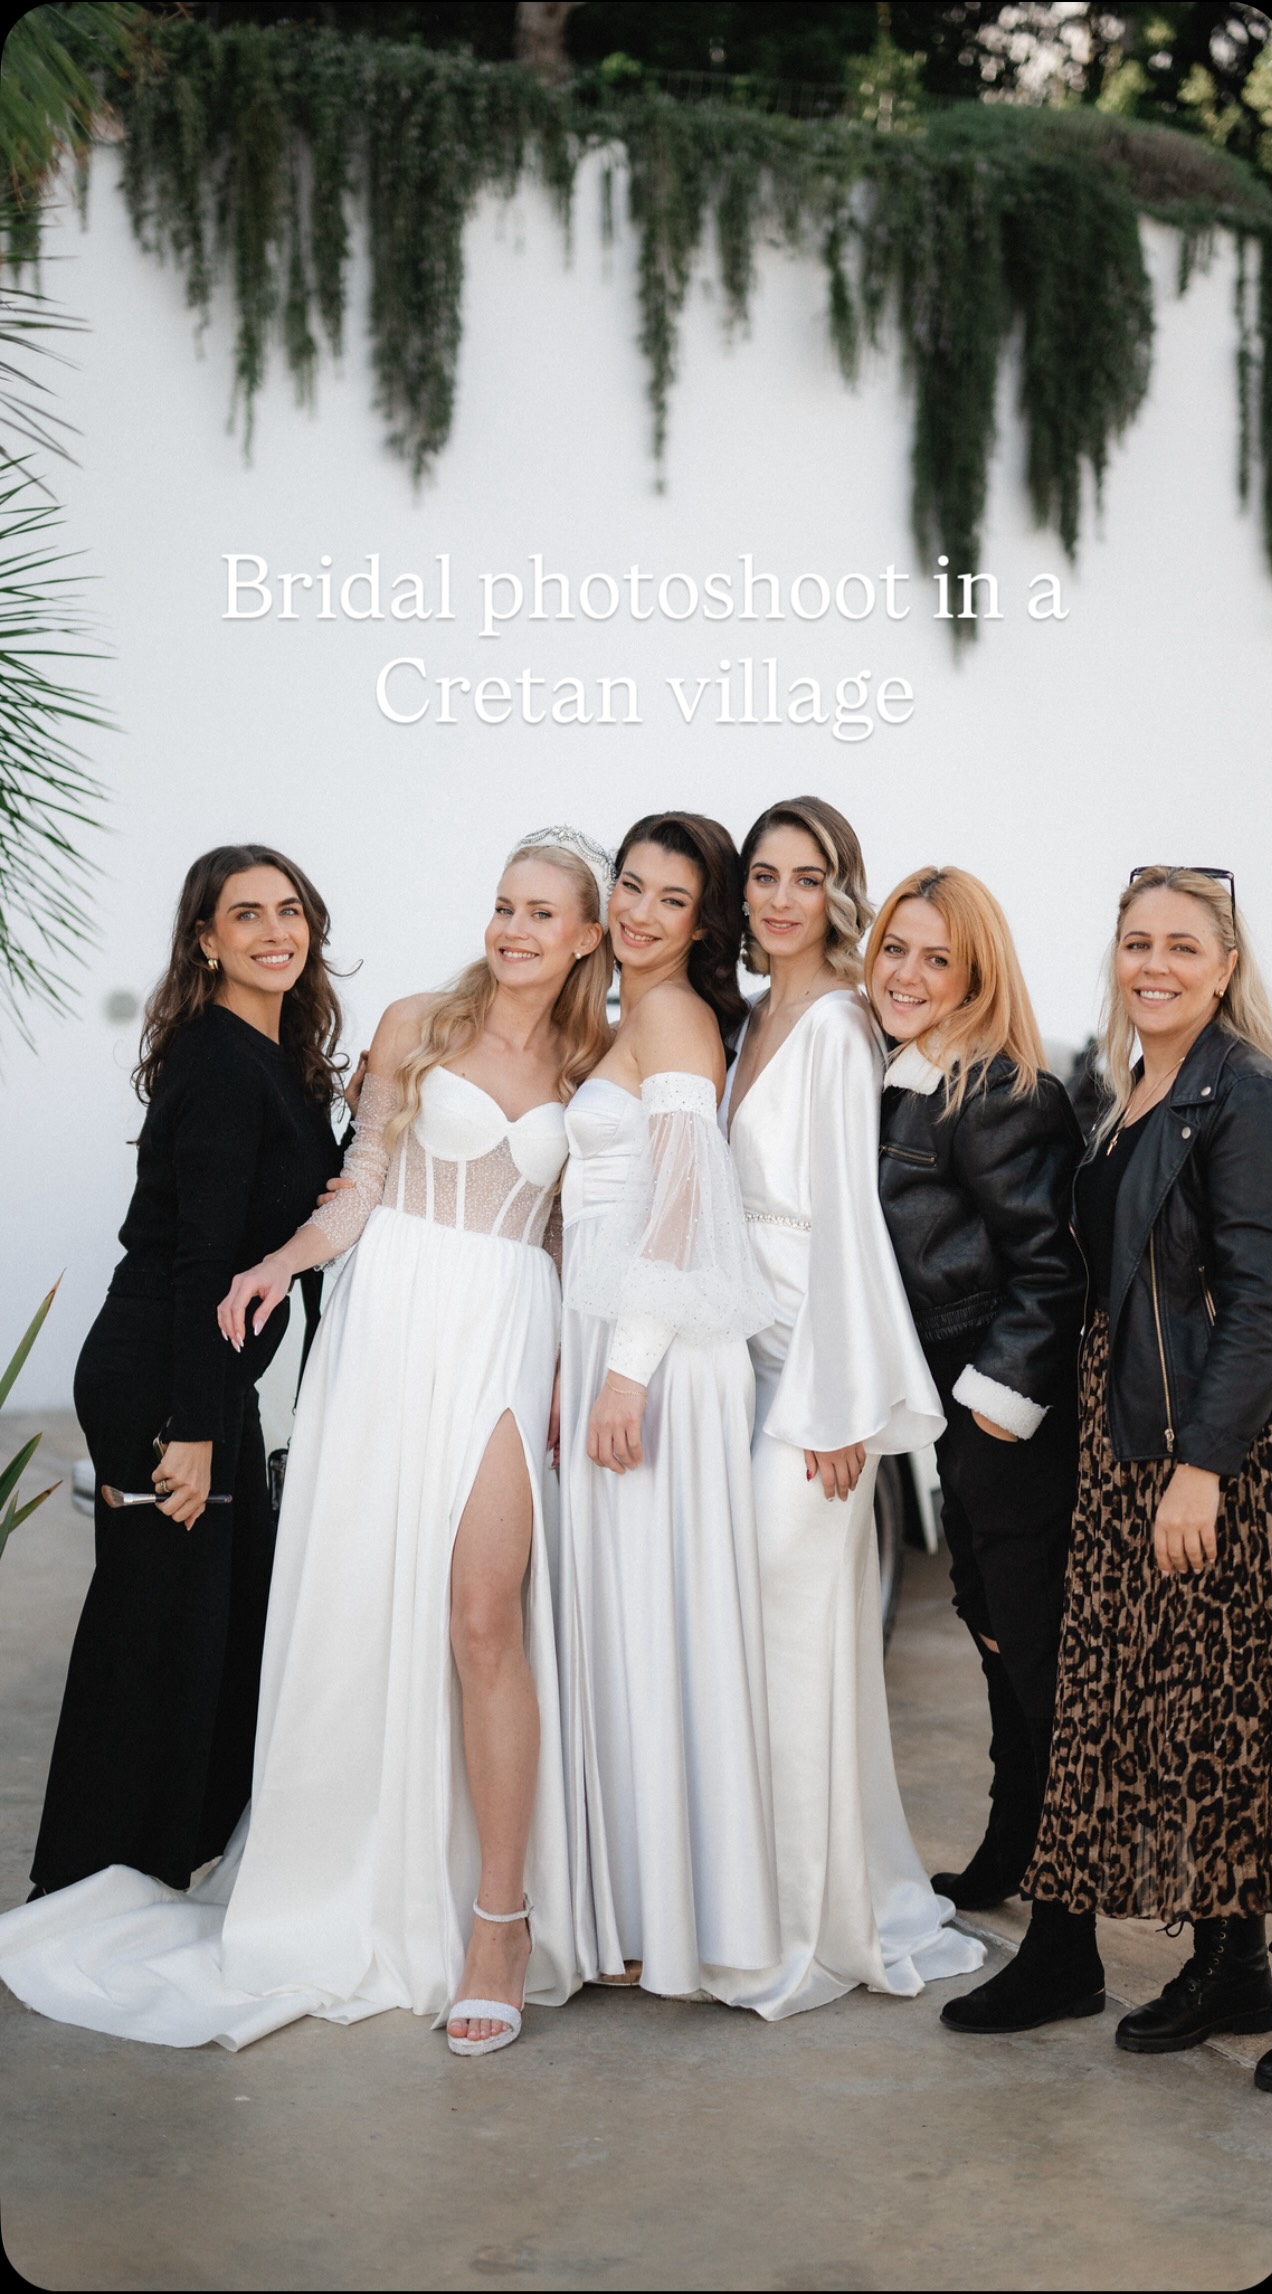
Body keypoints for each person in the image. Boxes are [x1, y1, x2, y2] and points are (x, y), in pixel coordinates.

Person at [0, 832, 612, 2061]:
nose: (514, 927)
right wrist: (280, 1260)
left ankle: (498, 1916)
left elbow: (574, 1233)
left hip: (503, 1332)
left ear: (588, 934)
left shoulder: (599, 1058)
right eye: (502, 904)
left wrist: (578, 1370)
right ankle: (335, 1870)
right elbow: (361, 1178)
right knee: (355, 1602)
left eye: (543, 912)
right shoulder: (417, 1019)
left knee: (484, 1611)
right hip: (386, 1327)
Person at [27, 845, 346, 1897]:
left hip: (204, 1378)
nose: (272, 930)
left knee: (218, 1630)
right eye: (243, 913)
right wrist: (196, 1433)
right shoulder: (218, 1061)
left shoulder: (274, 1056)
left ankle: (158, 1862)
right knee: (153, 1643)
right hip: (164, 1377)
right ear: (204, 938)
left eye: (288, 909)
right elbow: (200, 1262)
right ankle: (84, 1883)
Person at [720, 797, 984, 2017]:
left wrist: (835, 1408)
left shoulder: (832, 1024)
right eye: (762, 875)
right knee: (762, 1644)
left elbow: (845, 1225)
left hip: (808, 1383)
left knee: (792, 1635)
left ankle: (804, 1924)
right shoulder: (752, 1019)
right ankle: (752, 1894)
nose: (778, 896)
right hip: (742, 1363)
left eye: (804, 876)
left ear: (840, 889)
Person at [1027, 867, 1272, 2090]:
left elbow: (1264, 1304)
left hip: (1213, 1458)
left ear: (1226, 966)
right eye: (1137, 942)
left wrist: (1204, 1468)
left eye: (1184, 945)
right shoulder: (1134, 1089)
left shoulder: (1247, 1096)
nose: (1156, 964)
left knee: (1256, 1726)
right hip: (1128, 1442)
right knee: (1187, 1723)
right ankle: (1229, 1961)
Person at [865, 867, 1098, 2033]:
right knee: (996, 1632)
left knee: (1041, 1662)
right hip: (951, 1410)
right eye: (894, 949)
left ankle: (1067, 1945)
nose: (906, 974)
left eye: (934, 959)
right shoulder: (900, 1080)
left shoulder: (999, 1091)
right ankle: (1010, 1851)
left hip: (1005, 1414)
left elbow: (1048, 1271)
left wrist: (990, 1409)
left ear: (975, 975)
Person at [558, 812, 782, 2003]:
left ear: (705, 921)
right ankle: (643, 1905)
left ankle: (675, 1917)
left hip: (655, 1354)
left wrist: (625, 1369)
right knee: (623, 1618)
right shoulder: (625, 1016)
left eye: (668, 897)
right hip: (613, 1341)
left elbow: (687, 1203)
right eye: (628, 887)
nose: (640, 911)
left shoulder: (672, 1015)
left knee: (651, 1616)